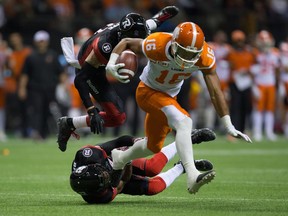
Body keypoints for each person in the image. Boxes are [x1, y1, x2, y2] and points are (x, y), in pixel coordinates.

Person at [105, 21, 252, 194]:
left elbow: (215, 91)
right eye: (183, 52)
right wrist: (111, 62)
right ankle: (192, 174)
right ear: (174, 44)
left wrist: (228, 124)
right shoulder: (157, 44)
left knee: (152, 147)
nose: (187, 58)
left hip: (168, 98)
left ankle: (120, 158)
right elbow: (127, 42)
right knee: (184, 122)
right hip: (148, 91)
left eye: (192, 54)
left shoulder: (205, 55)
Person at [58, 6, 179, 152]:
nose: (136, 44)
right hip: (91, 68)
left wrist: (164, 14)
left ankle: (70, 123)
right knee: (116, 117)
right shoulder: (105, 46)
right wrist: (91, 110)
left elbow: (154, 21)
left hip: (105, 63)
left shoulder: (135, 30)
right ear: (123, 36)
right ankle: (70, 123)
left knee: (118, 118)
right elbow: (80, 79)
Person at [70, 128, 216, 204]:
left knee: (152, 167)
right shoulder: (101, 196)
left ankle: (189, 138)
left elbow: (119, 141)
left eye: (102, 173)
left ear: (93, 165)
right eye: (104, 179)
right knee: (153, 188)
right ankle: (182, 167)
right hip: (121, 173)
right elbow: (121, 183)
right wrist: (125, 164)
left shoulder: (89, 154)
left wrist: (134, 141)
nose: (106, 174)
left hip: (114, 157)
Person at [18, 30, 66, 140]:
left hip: (50, 88)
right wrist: (22, 88)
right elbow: (25, 74)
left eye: (43, 41)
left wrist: (64, 87)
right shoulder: (30, 57)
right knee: (36, 110)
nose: (41, 43)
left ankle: (43, 133)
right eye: (39, 41)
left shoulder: (53, 55)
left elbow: (61, 72)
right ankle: (36, 132)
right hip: (35, 89)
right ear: (36, 42)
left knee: (47, 111)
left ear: (47, 42)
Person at [250, 30, 280, 141]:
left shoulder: (275, 53)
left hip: (270, 83)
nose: (265, 45)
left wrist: (278, 85)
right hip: (259, 84)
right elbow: (251, 71)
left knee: (270, 109)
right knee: (258, 109)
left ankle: (269, 131)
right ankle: (257, 131)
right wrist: (253, 86)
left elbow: (277, 70)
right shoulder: (255, 53)